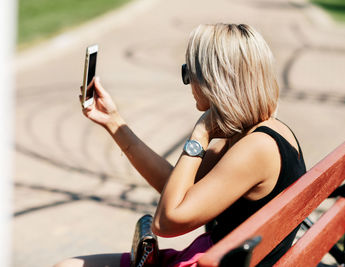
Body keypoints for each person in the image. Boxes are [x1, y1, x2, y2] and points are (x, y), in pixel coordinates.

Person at [54, 23, 306, 267]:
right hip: (213, 257)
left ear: (214, 80)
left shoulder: (257, 149)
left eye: (189, 73)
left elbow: (166, 223)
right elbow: (174, 186)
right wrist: (114, 122)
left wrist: (200, 133)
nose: (187, 83)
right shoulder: (261, 134)